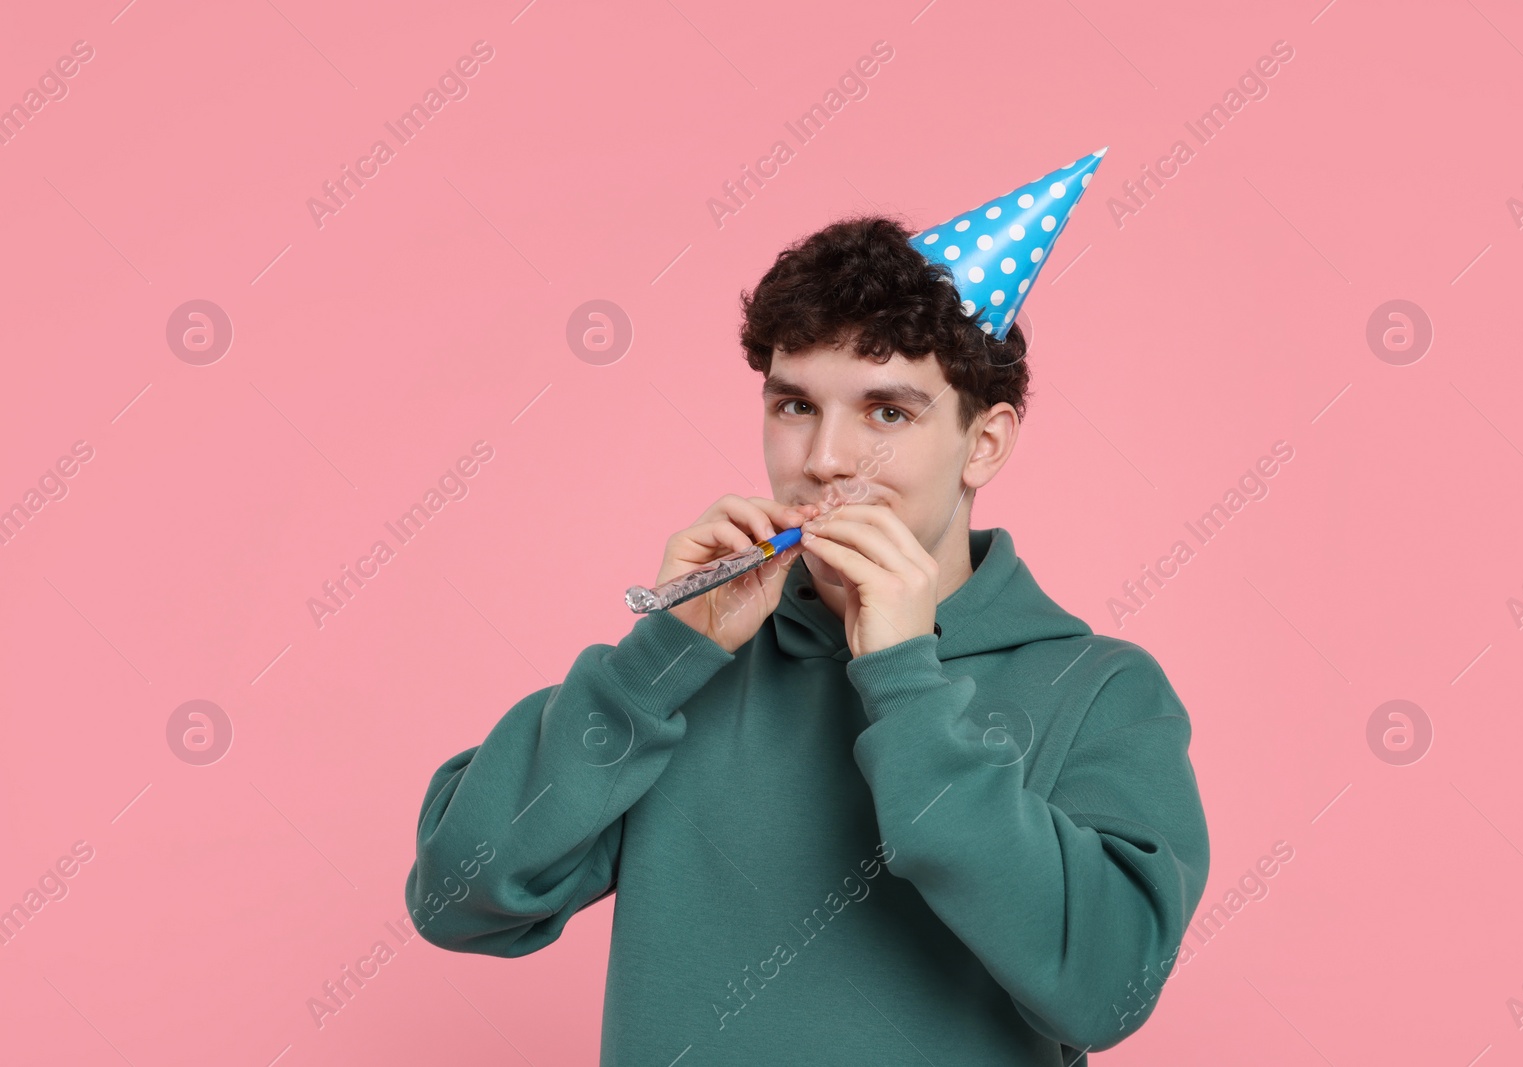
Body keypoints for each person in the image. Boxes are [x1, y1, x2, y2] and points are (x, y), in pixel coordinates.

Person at [405, 162, 1209, 1065]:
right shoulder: (690, 673)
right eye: (795, 405)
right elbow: (458, 898)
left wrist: (906, 684)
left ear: (984, 442)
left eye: (887, 412)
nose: (825, 459)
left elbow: (1108, 989)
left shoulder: (1100, 690)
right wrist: (658, 660)